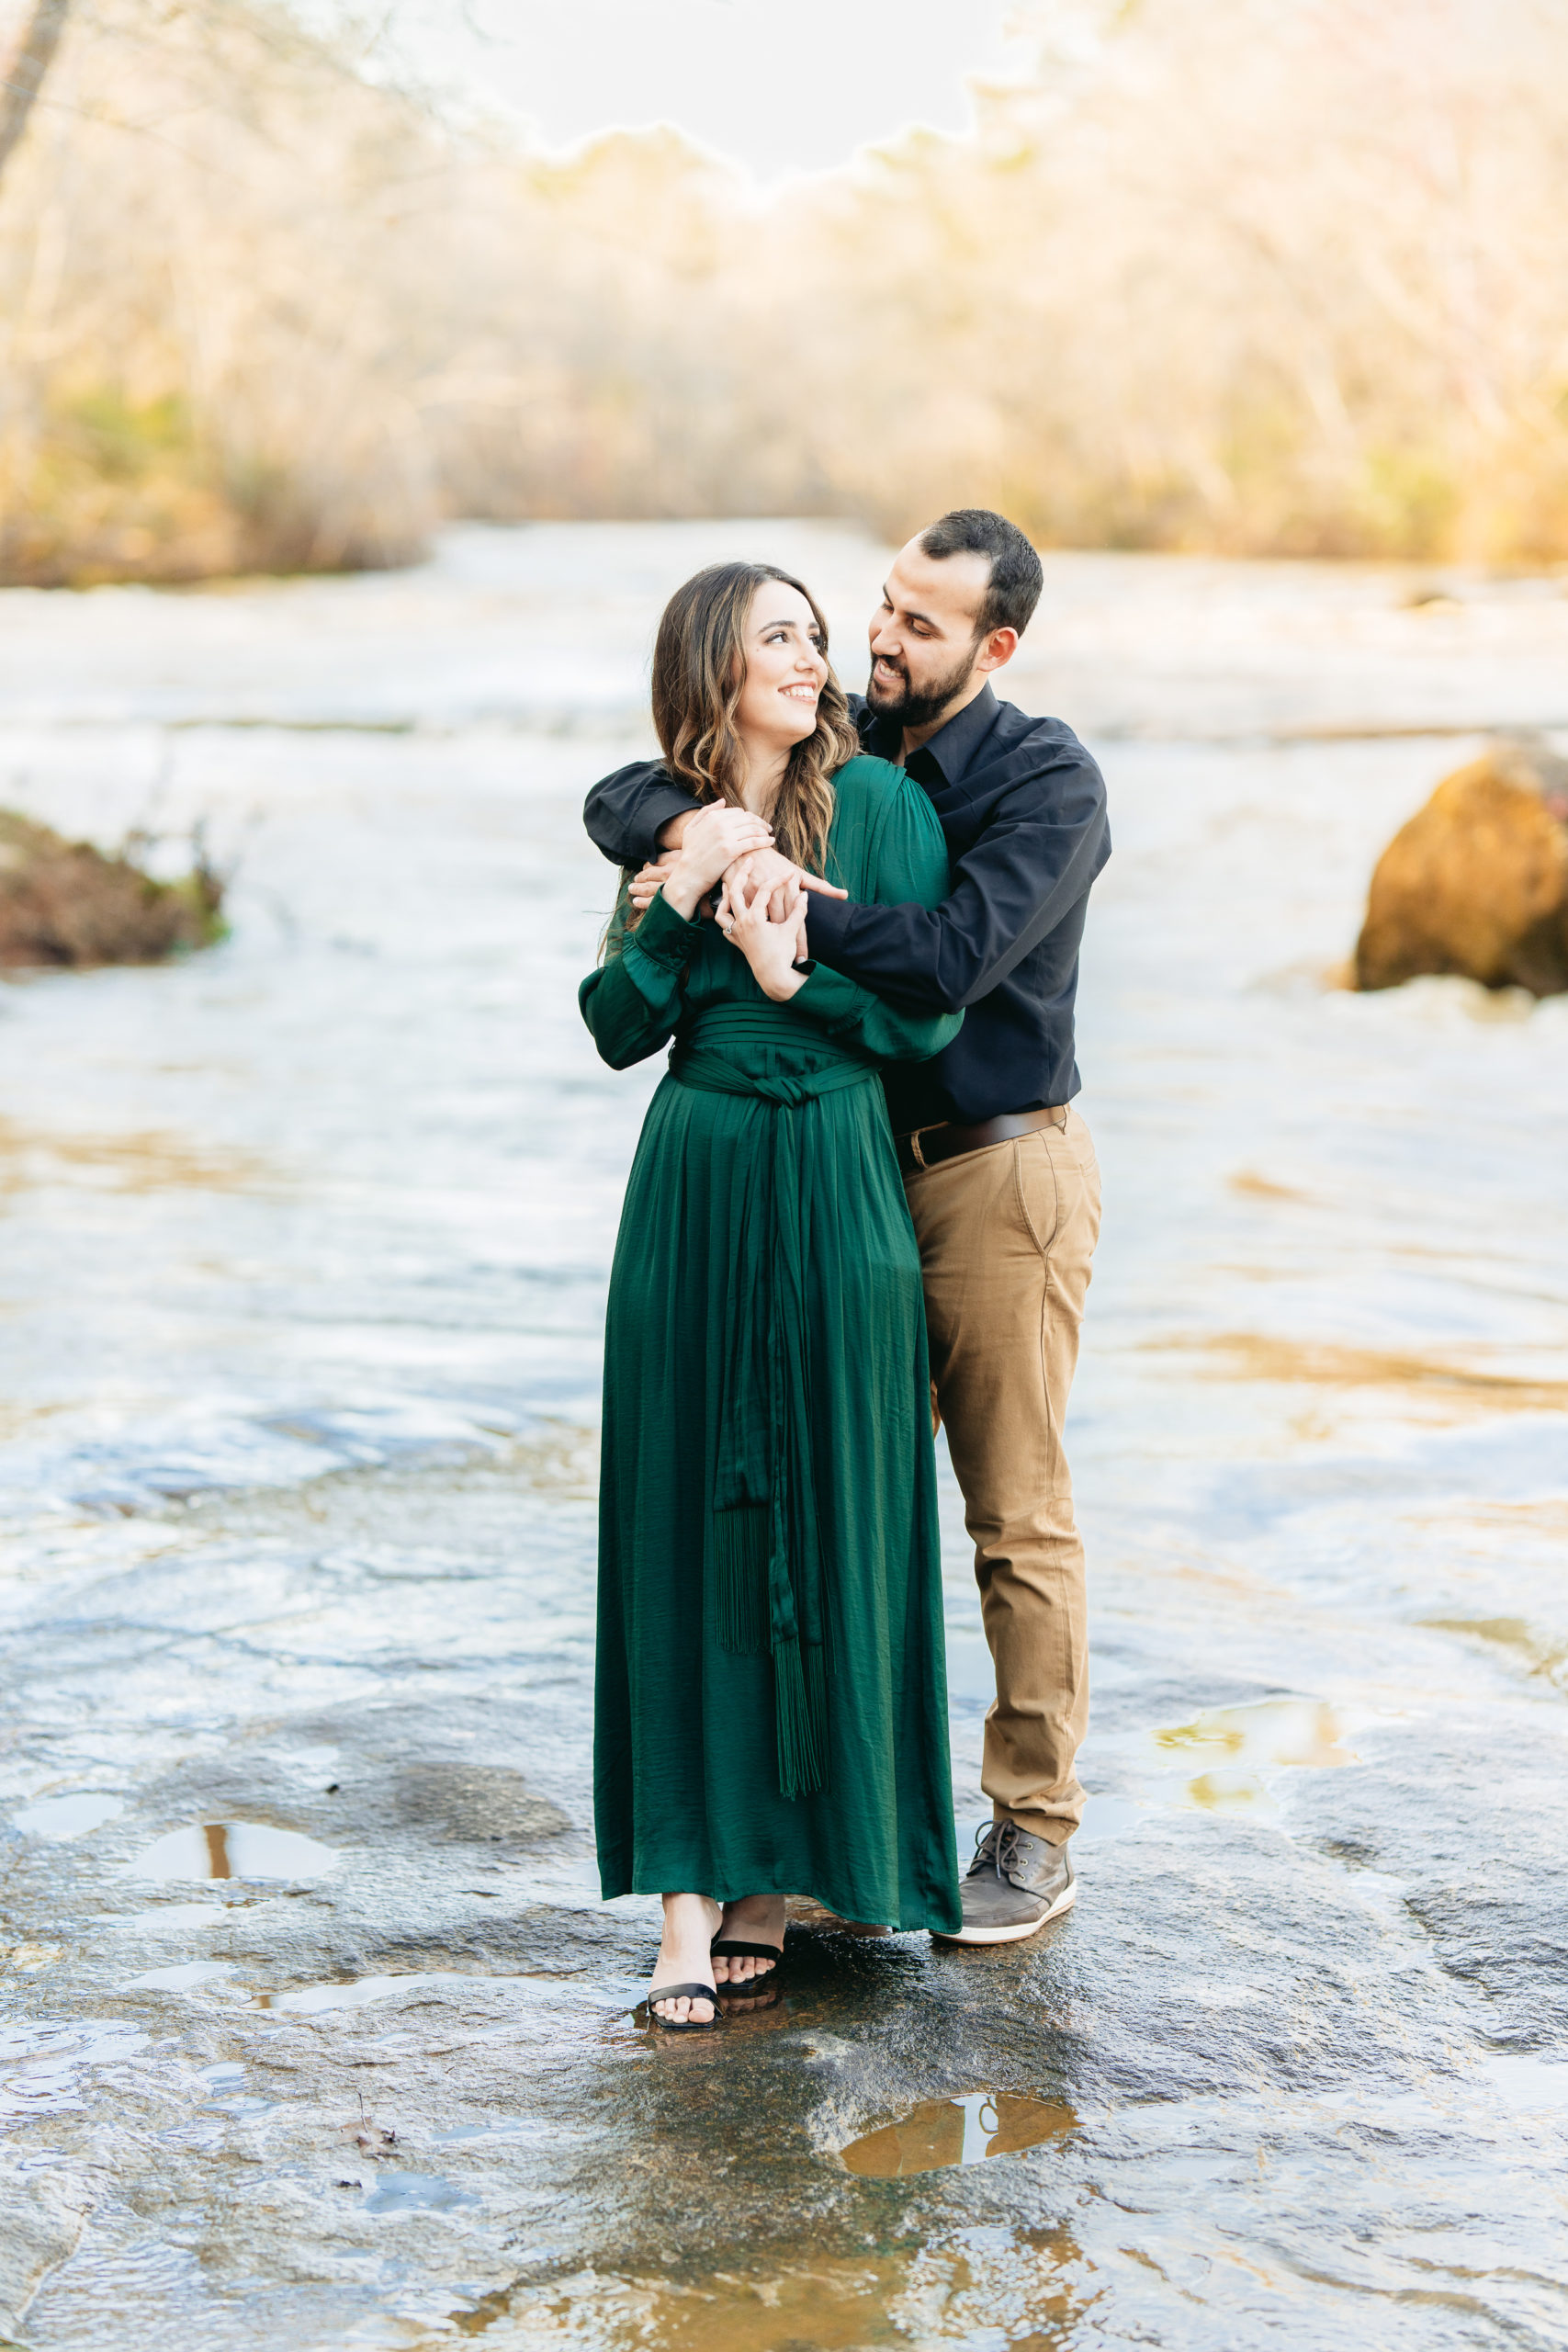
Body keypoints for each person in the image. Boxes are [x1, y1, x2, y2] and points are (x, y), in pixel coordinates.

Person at [585, 510, 1109, 1947]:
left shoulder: (1045, 779)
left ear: (995, 647)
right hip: (851, 1166)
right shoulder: (849, 745)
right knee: (816, 1506)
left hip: (996, 1173)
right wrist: (683, 832)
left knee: (1010, 1513)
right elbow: (645, 780)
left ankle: (1032, 1831)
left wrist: (784, 913)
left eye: (917, 625)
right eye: (878, 607)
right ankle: (799, 1842)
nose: (875, 641)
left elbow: (942, 959)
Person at [579, 559, 965, 2029]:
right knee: (686, 1525)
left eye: (818, 636)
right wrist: (681, 906)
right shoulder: (665, 825)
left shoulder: (881, 809)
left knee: (832, 1507)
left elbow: (928, 1011)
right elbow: (616, 1025)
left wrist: (799, 980)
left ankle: (779, 1878)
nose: (817, 661)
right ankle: (686, 1901)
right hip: (698, 1177)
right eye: (783, 639)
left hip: (841, 1176)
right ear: (714, 666)